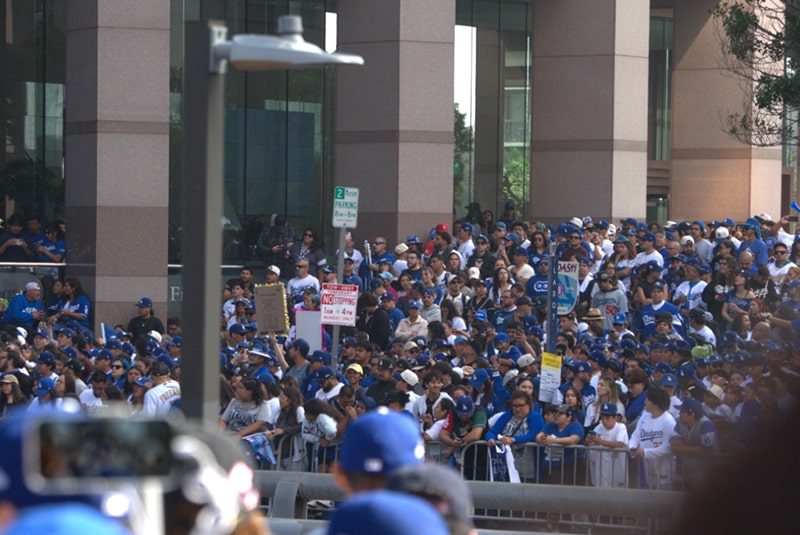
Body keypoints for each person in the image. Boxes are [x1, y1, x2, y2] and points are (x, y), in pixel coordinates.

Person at [485, 391, 544, 482]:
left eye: (521, 405)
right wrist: (491, 439)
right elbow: (493, 431)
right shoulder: (508, 415)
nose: (517, 409)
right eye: (515, 406)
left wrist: (513, 440)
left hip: (527, 464)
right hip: (506, 464)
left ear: (528, 405)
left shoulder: (535, 417)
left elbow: (532, 435)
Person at [628, 387, 676, 490]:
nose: (645, 402)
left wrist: (646, 452)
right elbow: (635, 436)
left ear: (655, 403)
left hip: (663, 472)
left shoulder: (669, 421)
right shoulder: (644, 417)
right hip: (645, 470)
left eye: (647, 399)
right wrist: (632, 448)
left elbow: (668, 447)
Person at [670, 397, 719, 489]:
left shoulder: (706, 425)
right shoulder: (679, 422)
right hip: (686, 472)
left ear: (692, 414)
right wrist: (696, 448)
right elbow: (674, 446)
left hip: (706, 472)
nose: (679, 414)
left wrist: (684, 447)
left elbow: (706, 451)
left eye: (683, 412)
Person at [585, 402, 629, 488]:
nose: (604, 421)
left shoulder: (621, 427)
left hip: (617, 468)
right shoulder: (599, 428)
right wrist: (587, 441)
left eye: (607, 418)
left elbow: (619, 444)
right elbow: (588, 444)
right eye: (602, 417)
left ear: (615, 417)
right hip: (602, 469)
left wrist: (600, 441)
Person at [266, 386, 306, 471]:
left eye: (282, 397)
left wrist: (284, 431)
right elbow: (267, 424)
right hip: (278, 452)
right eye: (279, 397)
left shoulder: (299, 410)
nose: (279, 400)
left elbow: (303, 426)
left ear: (290, 399)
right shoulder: (278, 410)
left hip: (293, 453)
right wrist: (267, 431)